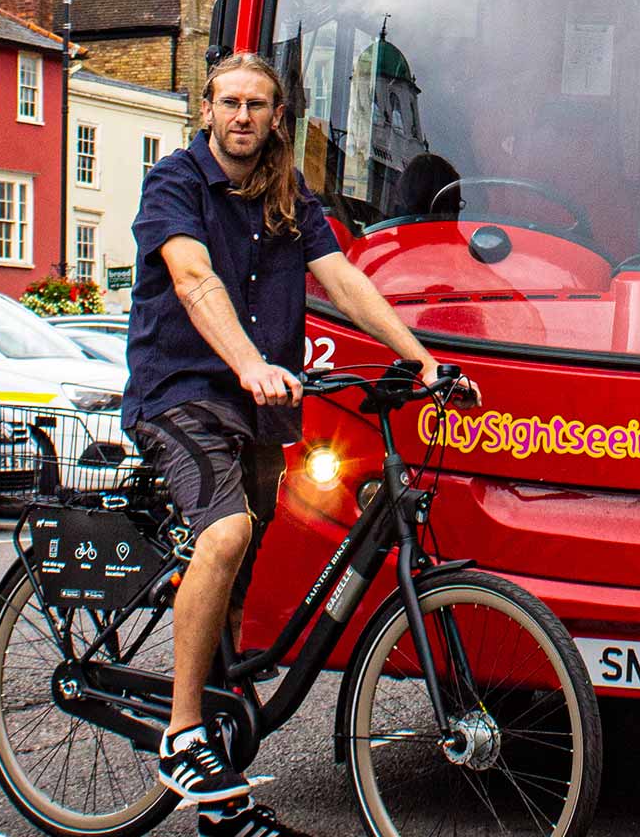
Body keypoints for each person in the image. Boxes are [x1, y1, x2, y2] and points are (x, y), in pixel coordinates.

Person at [123, 52, 479, 837]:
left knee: (241, 573)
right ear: (207, 109)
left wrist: (419, 359)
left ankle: (220, 782)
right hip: (181, 394)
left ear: (278, 117)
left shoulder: (287, 194)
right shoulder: (176, 183)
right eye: (229, 102)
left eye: (257, 104)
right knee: (224, 533)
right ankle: (183, 737)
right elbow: (193, 279)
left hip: (257, 409)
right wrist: (248, 362)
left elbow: (343, 280)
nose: (242, 116)